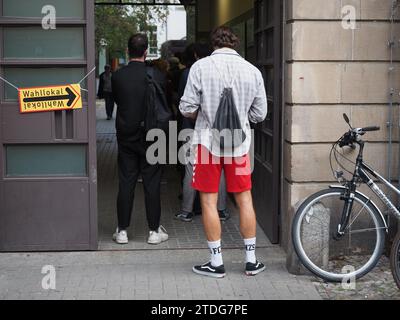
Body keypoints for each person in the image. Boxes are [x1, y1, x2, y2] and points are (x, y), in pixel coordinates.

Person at [179, 26, 268, 278]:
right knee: (244, 199)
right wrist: (240, 117)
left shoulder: (200, 68)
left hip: (207, 143)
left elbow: (186, 107)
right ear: (235, 44)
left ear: (214, 44)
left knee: (207, 200)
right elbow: (260, 114)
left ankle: (216, 263)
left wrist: (205, 114)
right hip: (239, 146)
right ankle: (251, 261)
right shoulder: (252, 71)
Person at [111, 34, 169, 245]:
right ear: (146, 52)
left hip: (127, 135)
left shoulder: (117, 76)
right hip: (154, 135)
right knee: (152, 182)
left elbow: (117, 100)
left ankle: (122, 231)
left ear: (128, 51)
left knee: (126, 181)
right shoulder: (158, 76)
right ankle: (154, 231)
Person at [175, 43, 230, 223]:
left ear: (196, 55)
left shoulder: (190, 72)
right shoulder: (223, 72)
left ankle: (187, 211)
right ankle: (221, 210)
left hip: (192, 126)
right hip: (220, 126)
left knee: (191, 167)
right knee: (220, 168)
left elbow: (184, 101)